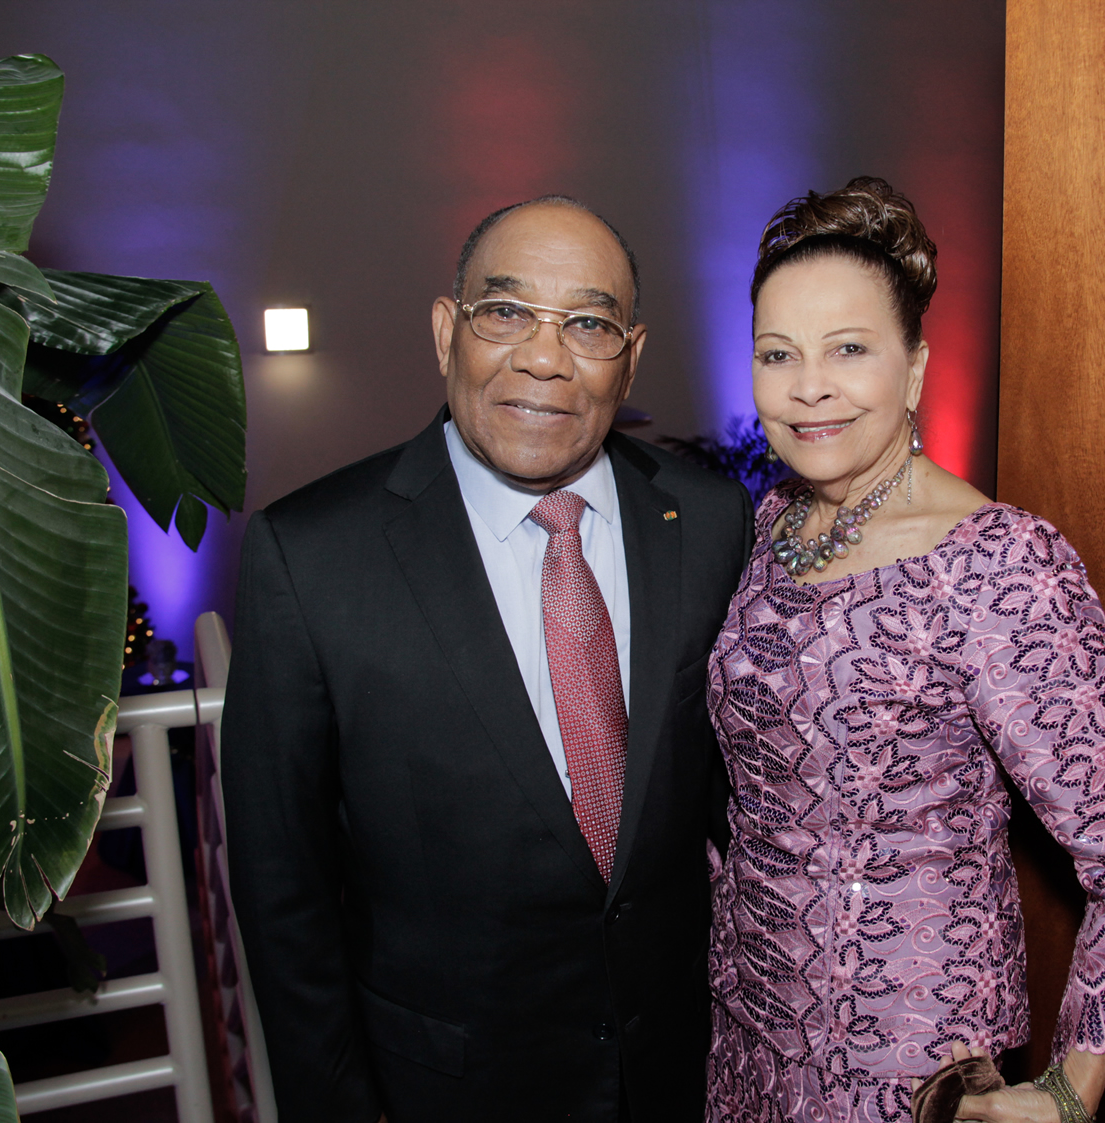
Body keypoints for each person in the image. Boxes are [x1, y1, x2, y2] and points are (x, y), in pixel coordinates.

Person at [704, 178, 1105, 1123]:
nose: (808, 385)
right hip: (747, 1044)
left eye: (848, 349)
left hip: (906, 1071)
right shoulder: (769, 526)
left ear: (913, 371)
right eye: (777, 353)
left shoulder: (995, 563)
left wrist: (1066, 1097)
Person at [222, 196, 754, 1123]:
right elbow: (282, 893)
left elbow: (735, 803)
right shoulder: (311, 556)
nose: (544, 358)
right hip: (446, 1088)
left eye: (587, 324)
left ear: (629, 355)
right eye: (505, 312)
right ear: (446, 331)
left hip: (680, 1073)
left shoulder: (709, 522)